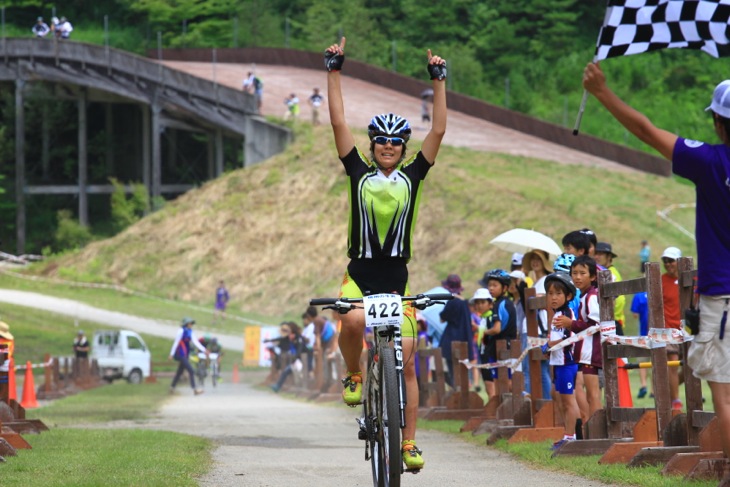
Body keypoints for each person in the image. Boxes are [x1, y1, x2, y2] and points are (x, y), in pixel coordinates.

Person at [584, 64, 730, 466]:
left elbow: (648, 132)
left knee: (725, 388)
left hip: (724, 294)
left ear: (718, 121)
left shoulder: (710, 162)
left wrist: (602, 93)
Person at [325, 36, 447, 471]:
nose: (389, 147)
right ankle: (355, 372)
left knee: (408, 361)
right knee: (353, 319)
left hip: (398, 279)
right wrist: (334, 71)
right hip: (359, 274)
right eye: (382, 141)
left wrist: (439, 80)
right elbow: (338, 121)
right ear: (373, 145)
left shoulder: (414, 177)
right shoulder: (357, 172)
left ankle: (408, 443)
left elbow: (438, 130)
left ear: (404, 147)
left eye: (397, 142)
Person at [553, 255, 602, 423]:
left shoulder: (591, 297)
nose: (577, 277)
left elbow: (596, 325)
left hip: (593, 352)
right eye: (574, 273)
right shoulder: (584, 296)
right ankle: (593, 430)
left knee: (593, 395)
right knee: (590, 395)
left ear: (593, 276)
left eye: (582, 273)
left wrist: (571, 324)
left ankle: (598, 433)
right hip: (586, 352)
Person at [544, 272, 581, 450]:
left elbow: (567, 338)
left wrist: (548, 345)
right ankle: (568, 434)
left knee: (568, 400)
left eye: (558, 294)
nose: (553, 297)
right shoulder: (556, 314)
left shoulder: (565, 314)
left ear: (568, 296)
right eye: (550, 293)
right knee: (559, 398)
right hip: (558, 363)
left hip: (568, 363)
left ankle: (571, 437)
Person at [478, 269, 517, 397]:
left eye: (495, 285)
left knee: (505, 381)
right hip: (505, 345)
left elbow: (497, 328)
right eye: (489, 285)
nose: (491, 288)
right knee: (503, 380)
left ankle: (522, 398)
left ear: (505, 287)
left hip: (503, 346)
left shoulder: (499, 304)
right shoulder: (506, 302)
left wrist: (484, 333)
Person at [438, 274, 474, 388]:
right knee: (463, 372)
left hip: (451, 340)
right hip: (464, 339)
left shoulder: (451, 301)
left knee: (453, 371)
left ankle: (457, 394)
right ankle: (463, 394)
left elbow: (442, 318)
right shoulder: (465, 303)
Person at [660, 246, 684, 410]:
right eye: (665, 261)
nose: (668, 264)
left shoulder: (690, 280)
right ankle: (675, 401)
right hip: (668, 328)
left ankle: (668, 390)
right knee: (673, 362)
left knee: (692, 366)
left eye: (671, 260)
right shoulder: (660, 280)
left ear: (679, 261)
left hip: (687, 328)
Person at [168, 317, 207, 395]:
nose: (191, 325)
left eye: (191, 323)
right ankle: (195, 389)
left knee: (179, 372)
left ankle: (172, 387)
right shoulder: (181, 331)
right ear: (186, 324)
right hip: (180, 353)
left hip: (185, 354)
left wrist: (204, 350)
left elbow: (196, 342)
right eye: (190, 323)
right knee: (191, 370)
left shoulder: (190, 332)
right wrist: (171, 354)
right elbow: (176, 342)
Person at [595, 242, 626, 335]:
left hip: (612, 322)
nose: (597, 257)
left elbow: (620, 300)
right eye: (595, 254)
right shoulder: (602, 272)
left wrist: (609, 316)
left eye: (600, 254)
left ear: (609, 257)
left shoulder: (610, 273)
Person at [471, 288, 495, 398]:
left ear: (490, 304)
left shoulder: (491, 318)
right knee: (487, 384)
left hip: (490, 355)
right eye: (477, 303)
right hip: (483, 353)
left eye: (483, 302)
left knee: (491, 385)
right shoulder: (482, 318)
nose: (480, 305)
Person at [270, 323, 308, 392]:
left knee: (287, 370)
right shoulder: (292, 340)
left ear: (294, 334)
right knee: (286, 370)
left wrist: (294, 358)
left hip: (303, 361)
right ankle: (278, 385)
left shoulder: (299, 339)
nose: (289, 336)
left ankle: (278, 385)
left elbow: (299, 352)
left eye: (290, 334)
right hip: (296, 361)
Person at [631, 291, 651, 398]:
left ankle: (643, 385)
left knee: (642, 362)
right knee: (656, 362)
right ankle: (654, 390)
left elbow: (635, 314)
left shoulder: (638, 295)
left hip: (643, 334)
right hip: (658, 334)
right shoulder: (659, 291)